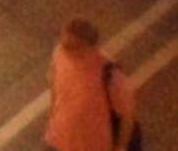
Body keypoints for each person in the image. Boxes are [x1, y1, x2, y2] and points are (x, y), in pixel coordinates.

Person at [43, 18, 141, 151]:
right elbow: (54, 86)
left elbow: (127, 117)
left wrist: (120, 147)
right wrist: (52, 118)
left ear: (91, 47)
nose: (65, 49)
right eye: (64, 43)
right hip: (58, 139)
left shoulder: (110, 76)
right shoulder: (59, 54)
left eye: (73, 46)